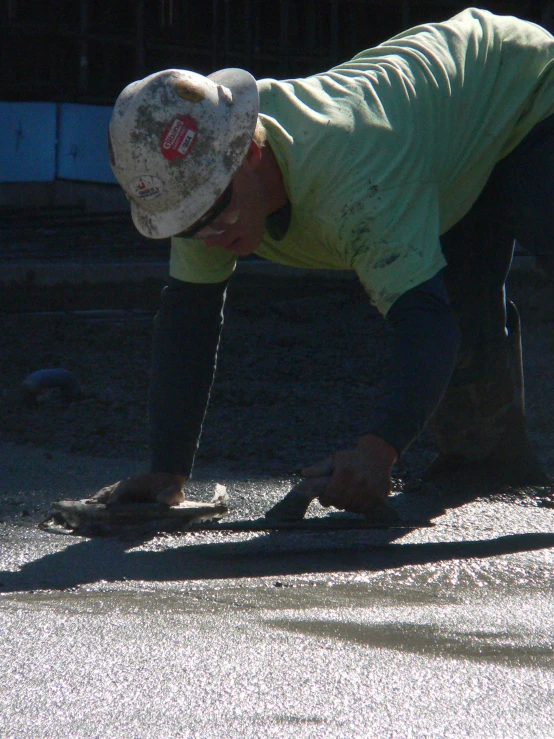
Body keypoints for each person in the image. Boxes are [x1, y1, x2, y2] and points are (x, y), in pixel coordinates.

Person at [98, 7, 554, 515]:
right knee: (462, 296)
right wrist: (168, 468)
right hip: (438, 140)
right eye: (186, 226)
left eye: (213, 213)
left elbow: (426, 326)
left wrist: (378, 450)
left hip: (522, 81)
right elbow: (190, 320)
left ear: (251, 151)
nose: (207, 235)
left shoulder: (354, 179)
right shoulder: (202, 180)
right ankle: (486, 464)